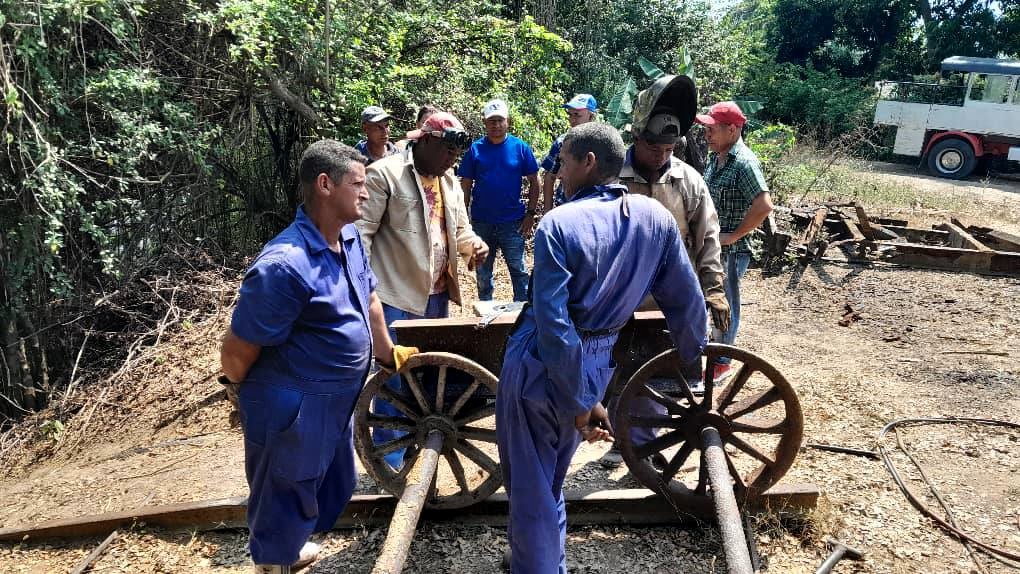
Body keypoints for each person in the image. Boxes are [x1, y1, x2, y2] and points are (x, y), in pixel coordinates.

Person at [496, 123, 707, 573]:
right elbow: (687, 301)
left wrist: (575, 400)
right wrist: (694, 358)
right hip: (599, 362)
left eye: (564, 162)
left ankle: (537, 565)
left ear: (587, 162)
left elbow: (554, 324)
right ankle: (542, 557)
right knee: (550, 475)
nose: (560, 172)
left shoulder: (558, 224)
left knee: (531, 484)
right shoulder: (654, 218)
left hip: (542, 365)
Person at [220, 140, 407, 574]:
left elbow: (370, 297)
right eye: (358, 184)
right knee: (285, 489)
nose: (365, 192)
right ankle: (272, 563)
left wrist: (385, 351)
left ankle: (288, 546)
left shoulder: (348, 238)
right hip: (294, 403)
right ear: (325, 185)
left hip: (334, 398)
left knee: (327, 484)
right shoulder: (285, 265)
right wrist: (235, 390)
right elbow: (237, 350)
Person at [599, 75, 729, 469]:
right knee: (615, 370)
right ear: (637, 139)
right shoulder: (610, 178)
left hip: (668, 301)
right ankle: (617, 439)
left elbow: (707, 239)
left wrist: (714, 289)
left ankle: (644, 449)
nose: (660, 155)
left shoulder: (688, 181)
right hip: (618, 299)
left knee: (656, 378)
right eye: (654, 147)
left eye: (669, 148)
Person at [357, 112, 488, 467]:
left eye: (455, 154)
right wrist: (362, 293)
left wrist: (474, 246)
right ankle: (390, 458)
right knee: (393, 379)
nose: (452, 159)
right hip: (395, 296)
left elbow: (461, 231)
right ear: (425, 141)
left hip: (436, 296)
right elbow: (360, 237)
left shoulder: (448, 183)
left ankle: (415, 442)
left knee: (428, 378)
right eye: (447, 150)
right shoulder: (385, 175)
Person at [696, 101, 773, 380]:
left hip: (731, 251)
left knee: (723, 304)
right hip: (712, 247)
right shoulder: (717, 158)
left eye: (712, 129)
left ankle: (722, 362)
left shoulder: (744, 162)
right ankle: (710, 354)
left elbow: (764, 205)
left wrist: (734, 235)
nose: (707, 134)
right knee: (706, 301)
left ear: (732, 129)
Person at [458, 99, 540, 302]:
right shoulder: (475, 150)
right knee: (483, 271)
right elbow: (466, 184)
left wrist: (530, 214)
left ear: (508, 121)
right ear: (485, 123)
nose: (496, 125)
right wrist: (463, 219)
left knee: (519, 270)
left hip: (513, 222)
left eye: (500, 120)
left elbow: (535, 181)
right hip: (482, 221)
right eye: (491, 121)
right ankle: (486, 314)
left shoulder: (520, 148)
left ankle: (522, 314)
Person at [540, 93, 598, 210]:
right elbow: (550, 177)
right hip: (564, 206)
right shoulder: (562, 142)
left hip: (592, 210)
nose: (572, 120)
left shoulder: (601, 144)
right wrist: (547, 212)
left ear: (591, 116)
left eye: (577, 115)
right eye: (570, 115)